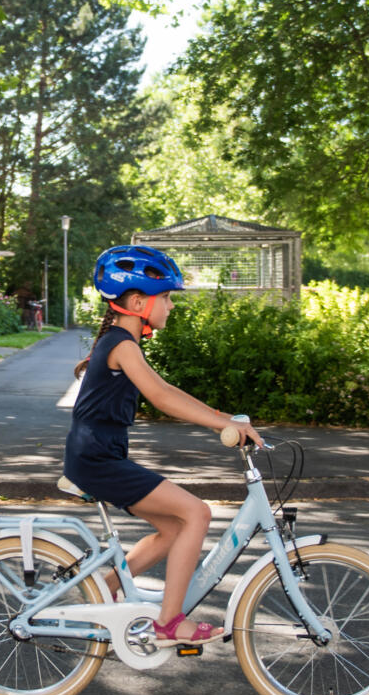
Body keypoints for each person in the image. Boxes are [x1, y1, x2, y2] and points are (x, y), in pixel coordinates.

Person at [64, 245, 263, 645]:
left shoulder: (121, 343)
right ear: (137, 302)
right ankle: (170, 622)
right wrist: (221, 423)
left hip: (97, 458)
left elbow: (168, 390)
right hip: (97, 461)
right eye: (166, 297)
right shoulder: (121, 344)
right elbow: (163, 398)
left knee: (173, 528)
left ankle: (105, 587)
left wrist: (225, 418)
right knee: (197, 513)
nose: (171, 305)